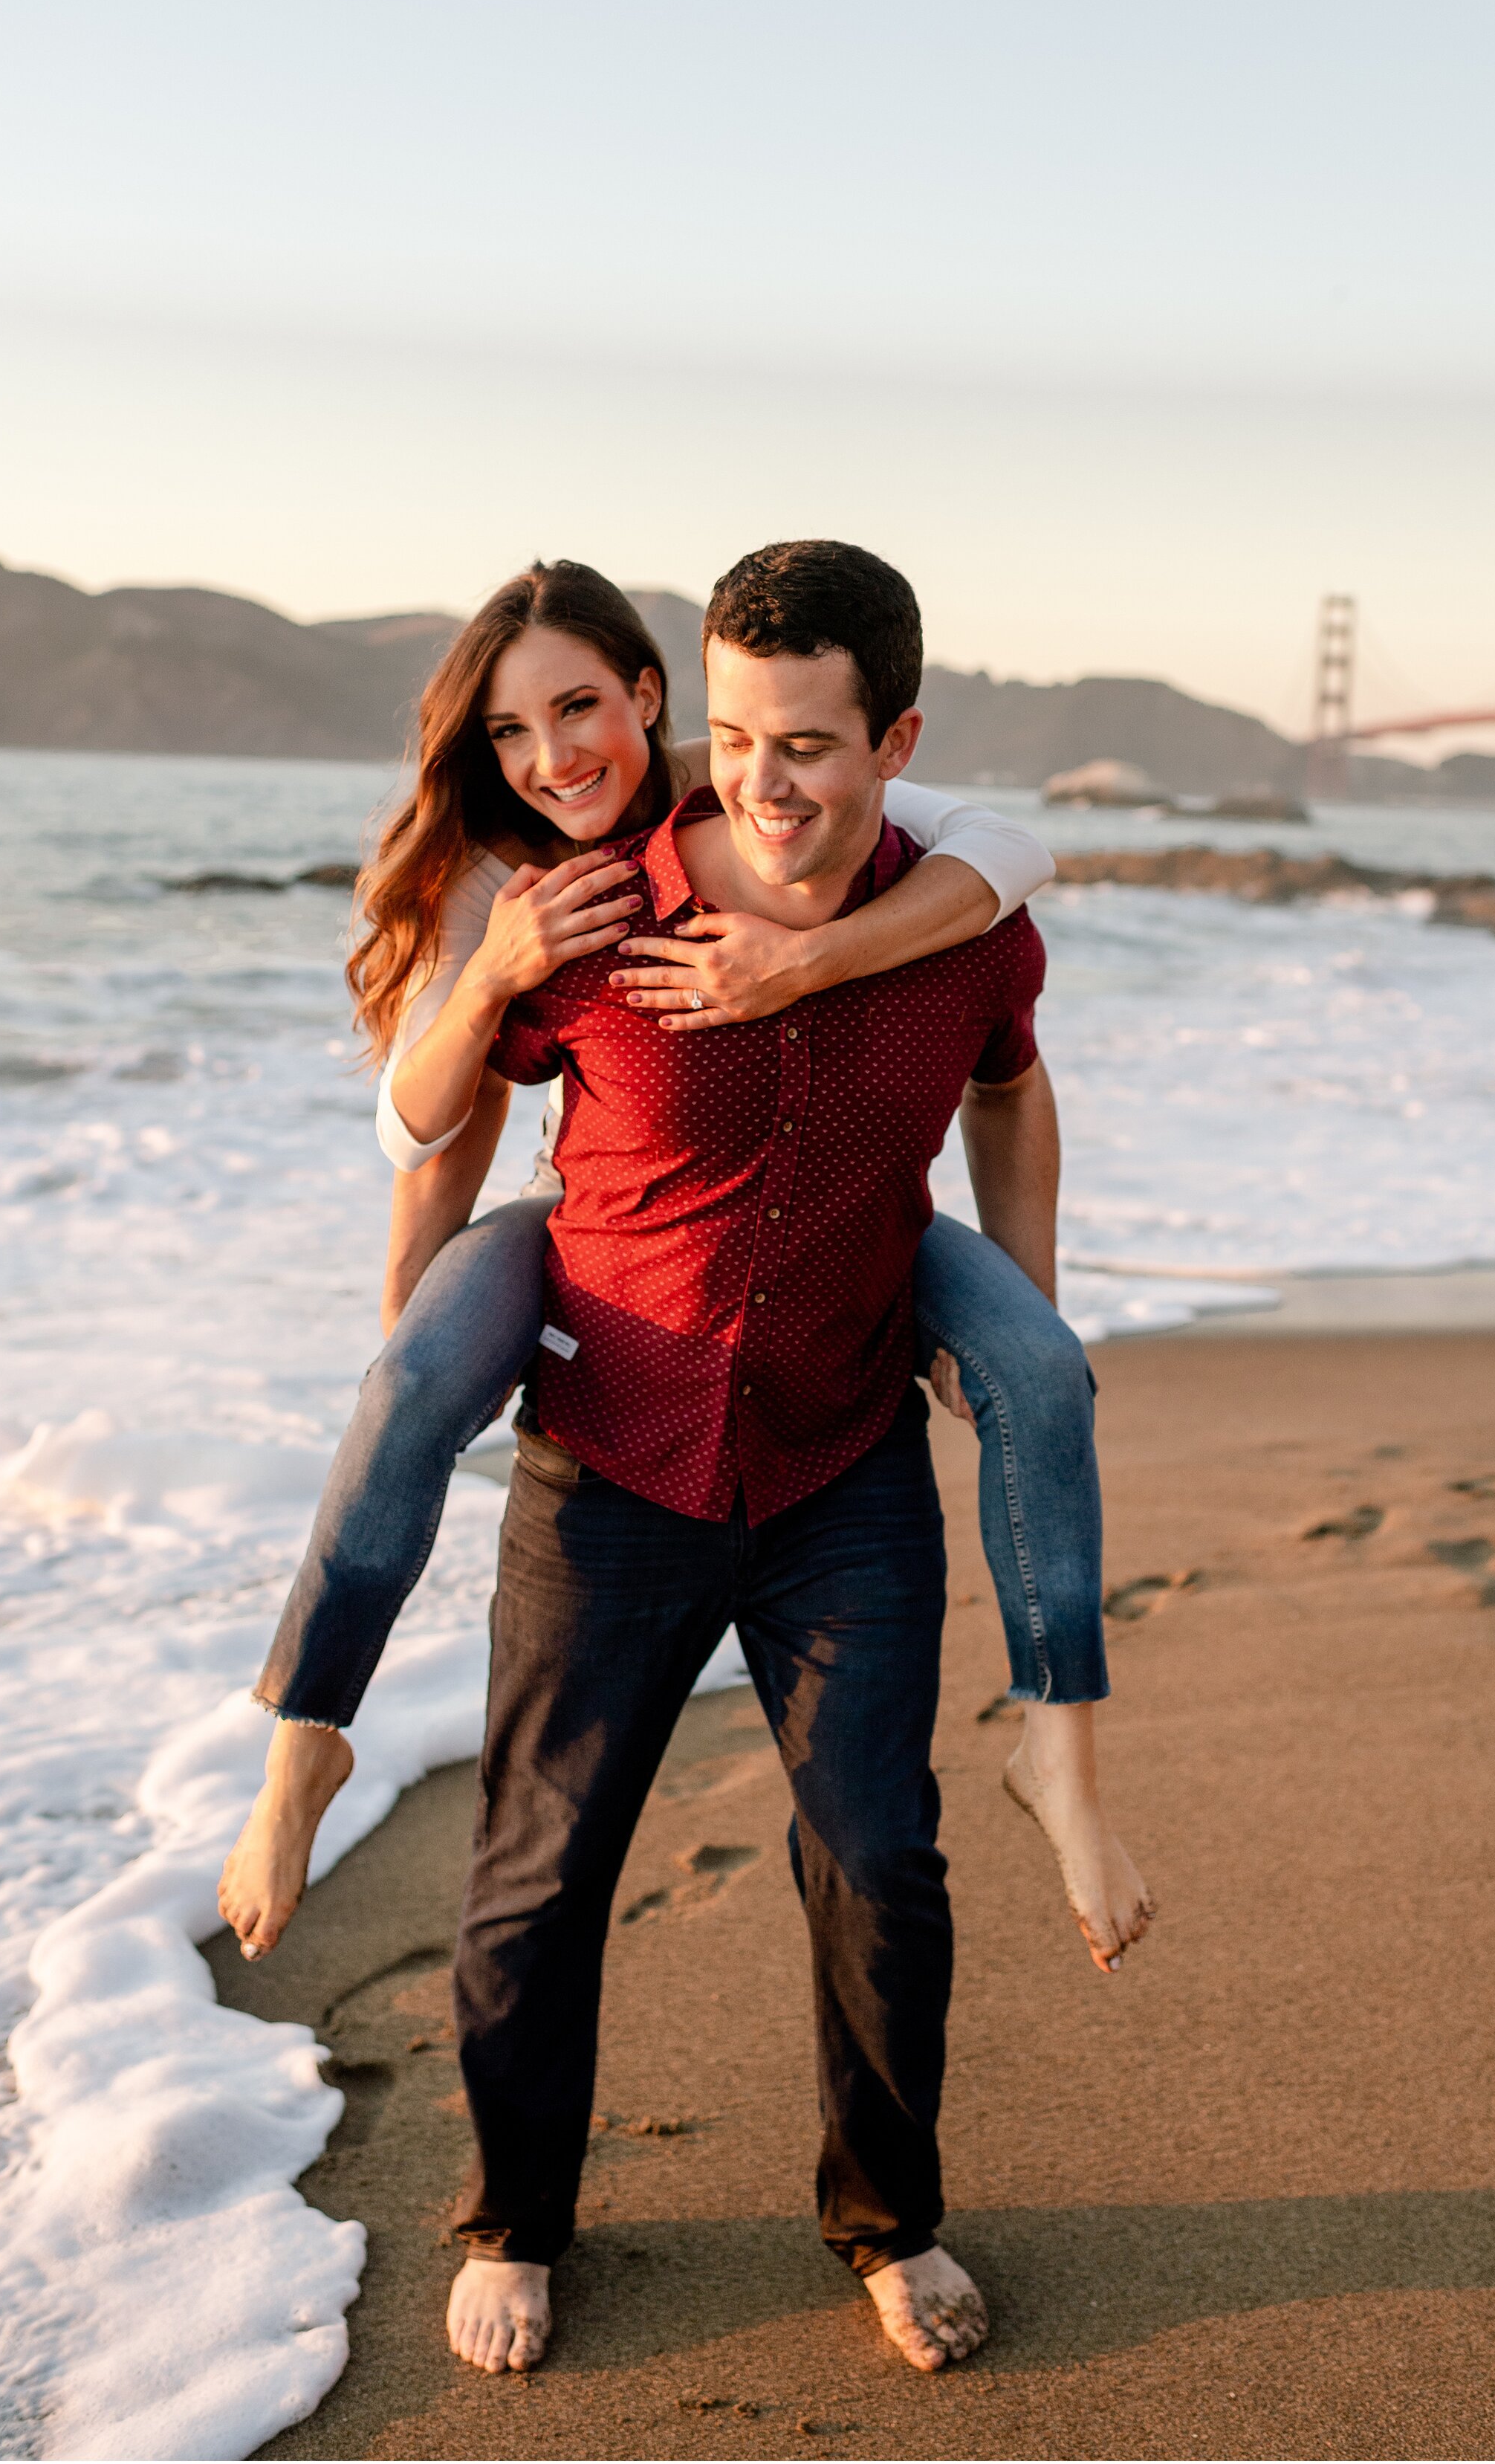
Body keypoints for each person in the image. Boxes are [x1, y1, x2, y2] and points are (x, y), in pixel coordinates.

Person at [219, 561, 1152, 1987]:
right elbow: (421, 1131)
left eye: (580, 708)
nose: (554, 758)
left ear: (650, 700)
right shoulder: (513, 876)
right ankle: (302, 1744)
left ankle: (1064, 1753)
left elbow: (1008, 854)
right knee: (407, 1381)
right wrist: (414, 1322)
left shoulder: (775, 779)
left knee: (1037, 1365)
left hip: (846, 1227)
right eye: (511, 734)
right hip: (578, 1221)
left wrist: (812, 960)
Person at [446, 540, 1080, 2379]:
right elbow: (443, 1102)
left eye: (807, 744)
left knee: (881, 1856)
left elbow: (1011, 1087)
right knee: (536, 1872)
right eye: (731, 738)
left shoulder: (967, 925)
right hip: (607, 1468)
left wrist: (1014, 1314)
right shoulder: (597, 915)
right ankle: (511, 2218)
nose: (764, 785)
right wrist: (416, 1329)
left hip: (840, 1465)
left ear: (893, 740)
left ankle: (889, 2220)